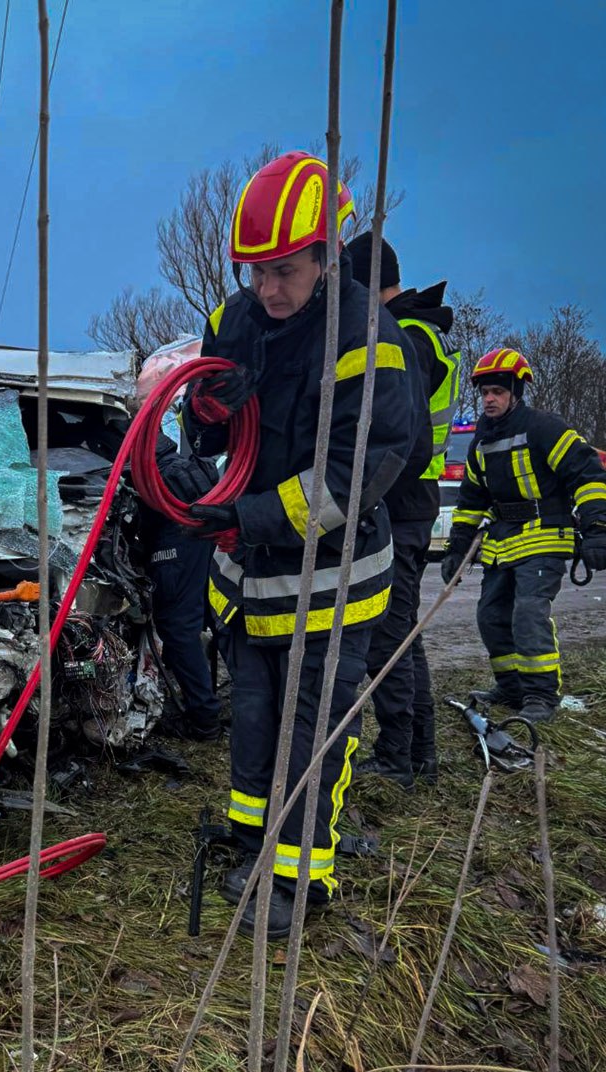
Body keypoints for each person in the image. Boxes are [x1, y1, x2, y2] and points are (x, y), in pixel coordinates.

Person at [182, 151, 419, 937]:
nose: (268, 290)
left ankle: (299, 877)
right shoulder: (235, 320)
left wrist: (247, 518)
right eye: (256, 271)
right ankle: (253, 837)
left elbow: (354, 474)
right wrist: (204, 413)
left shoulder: (368, 338)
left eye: (284, 270)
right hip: (250, 580)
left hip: (330, 584)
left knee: (313, 730)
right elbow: (204, 427)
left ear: (328, 256)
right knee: (253, 717)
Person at [345, 234, 460, 788]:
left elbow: (397, 435)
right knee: (401, 633)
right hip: (412, 503)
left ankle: (400, 757)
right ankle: (418, 754)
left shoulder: (405, 337)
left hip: (401, 504)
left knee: (388, 636)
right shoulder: (420, 331)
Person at [442, 349, 606, 724]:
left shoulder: (545, 428)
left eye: (497, 392)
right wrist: (457, 547)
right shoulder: (481, 442)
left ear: (516, 392)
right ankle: (512, 688)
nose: (489, 399)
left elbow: (587, 474)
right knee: (490, 616)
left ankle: (541, 695)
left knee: (528, 613)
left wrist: (597, 527)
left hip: (545, 537)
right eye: (485, 392)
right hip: (502, 543)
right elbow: (471, 500)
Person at [136, 342, 223, 742]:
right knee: (213, 619)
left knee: (178, 625)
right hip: (197, 534)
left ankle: (204, 720)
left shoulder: (146, 444)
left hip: (178, 536)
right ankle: (229, 705)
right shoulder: (162, 438)